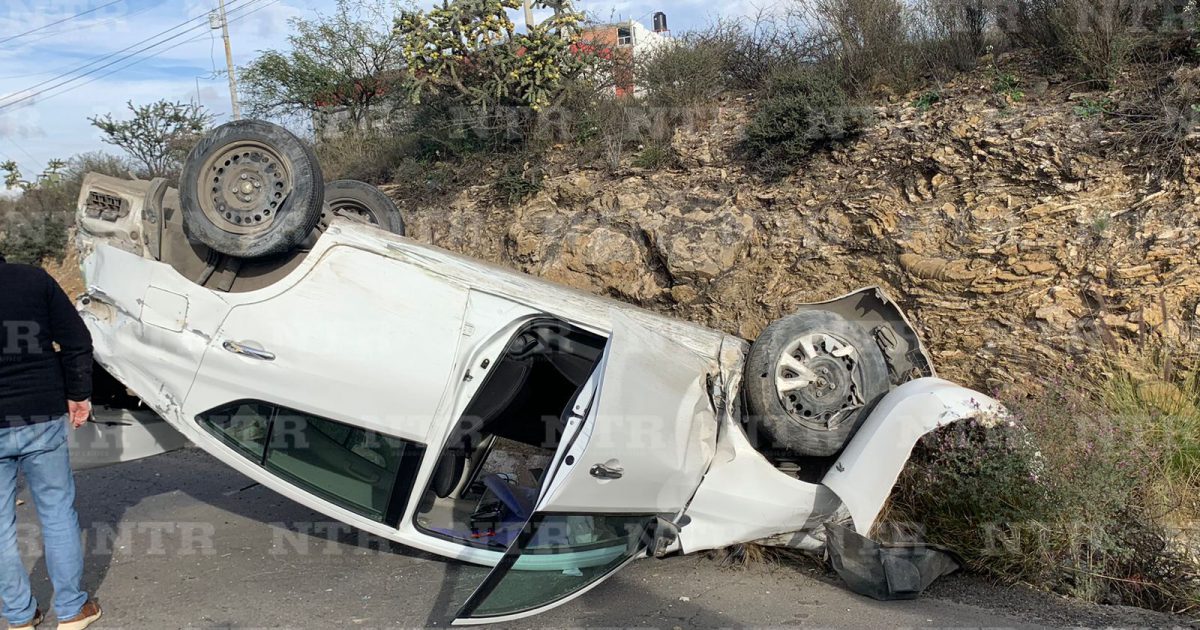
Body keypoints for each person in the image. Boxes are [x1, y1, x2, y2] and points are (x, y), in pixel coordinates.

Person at [0, 252, 102, 629]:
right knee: (57, 512)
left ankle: (20, 617)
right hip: (40, 415)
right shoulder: (33, 280)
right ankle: (73, 610)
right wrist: (79, 394)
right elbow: (77, 339)